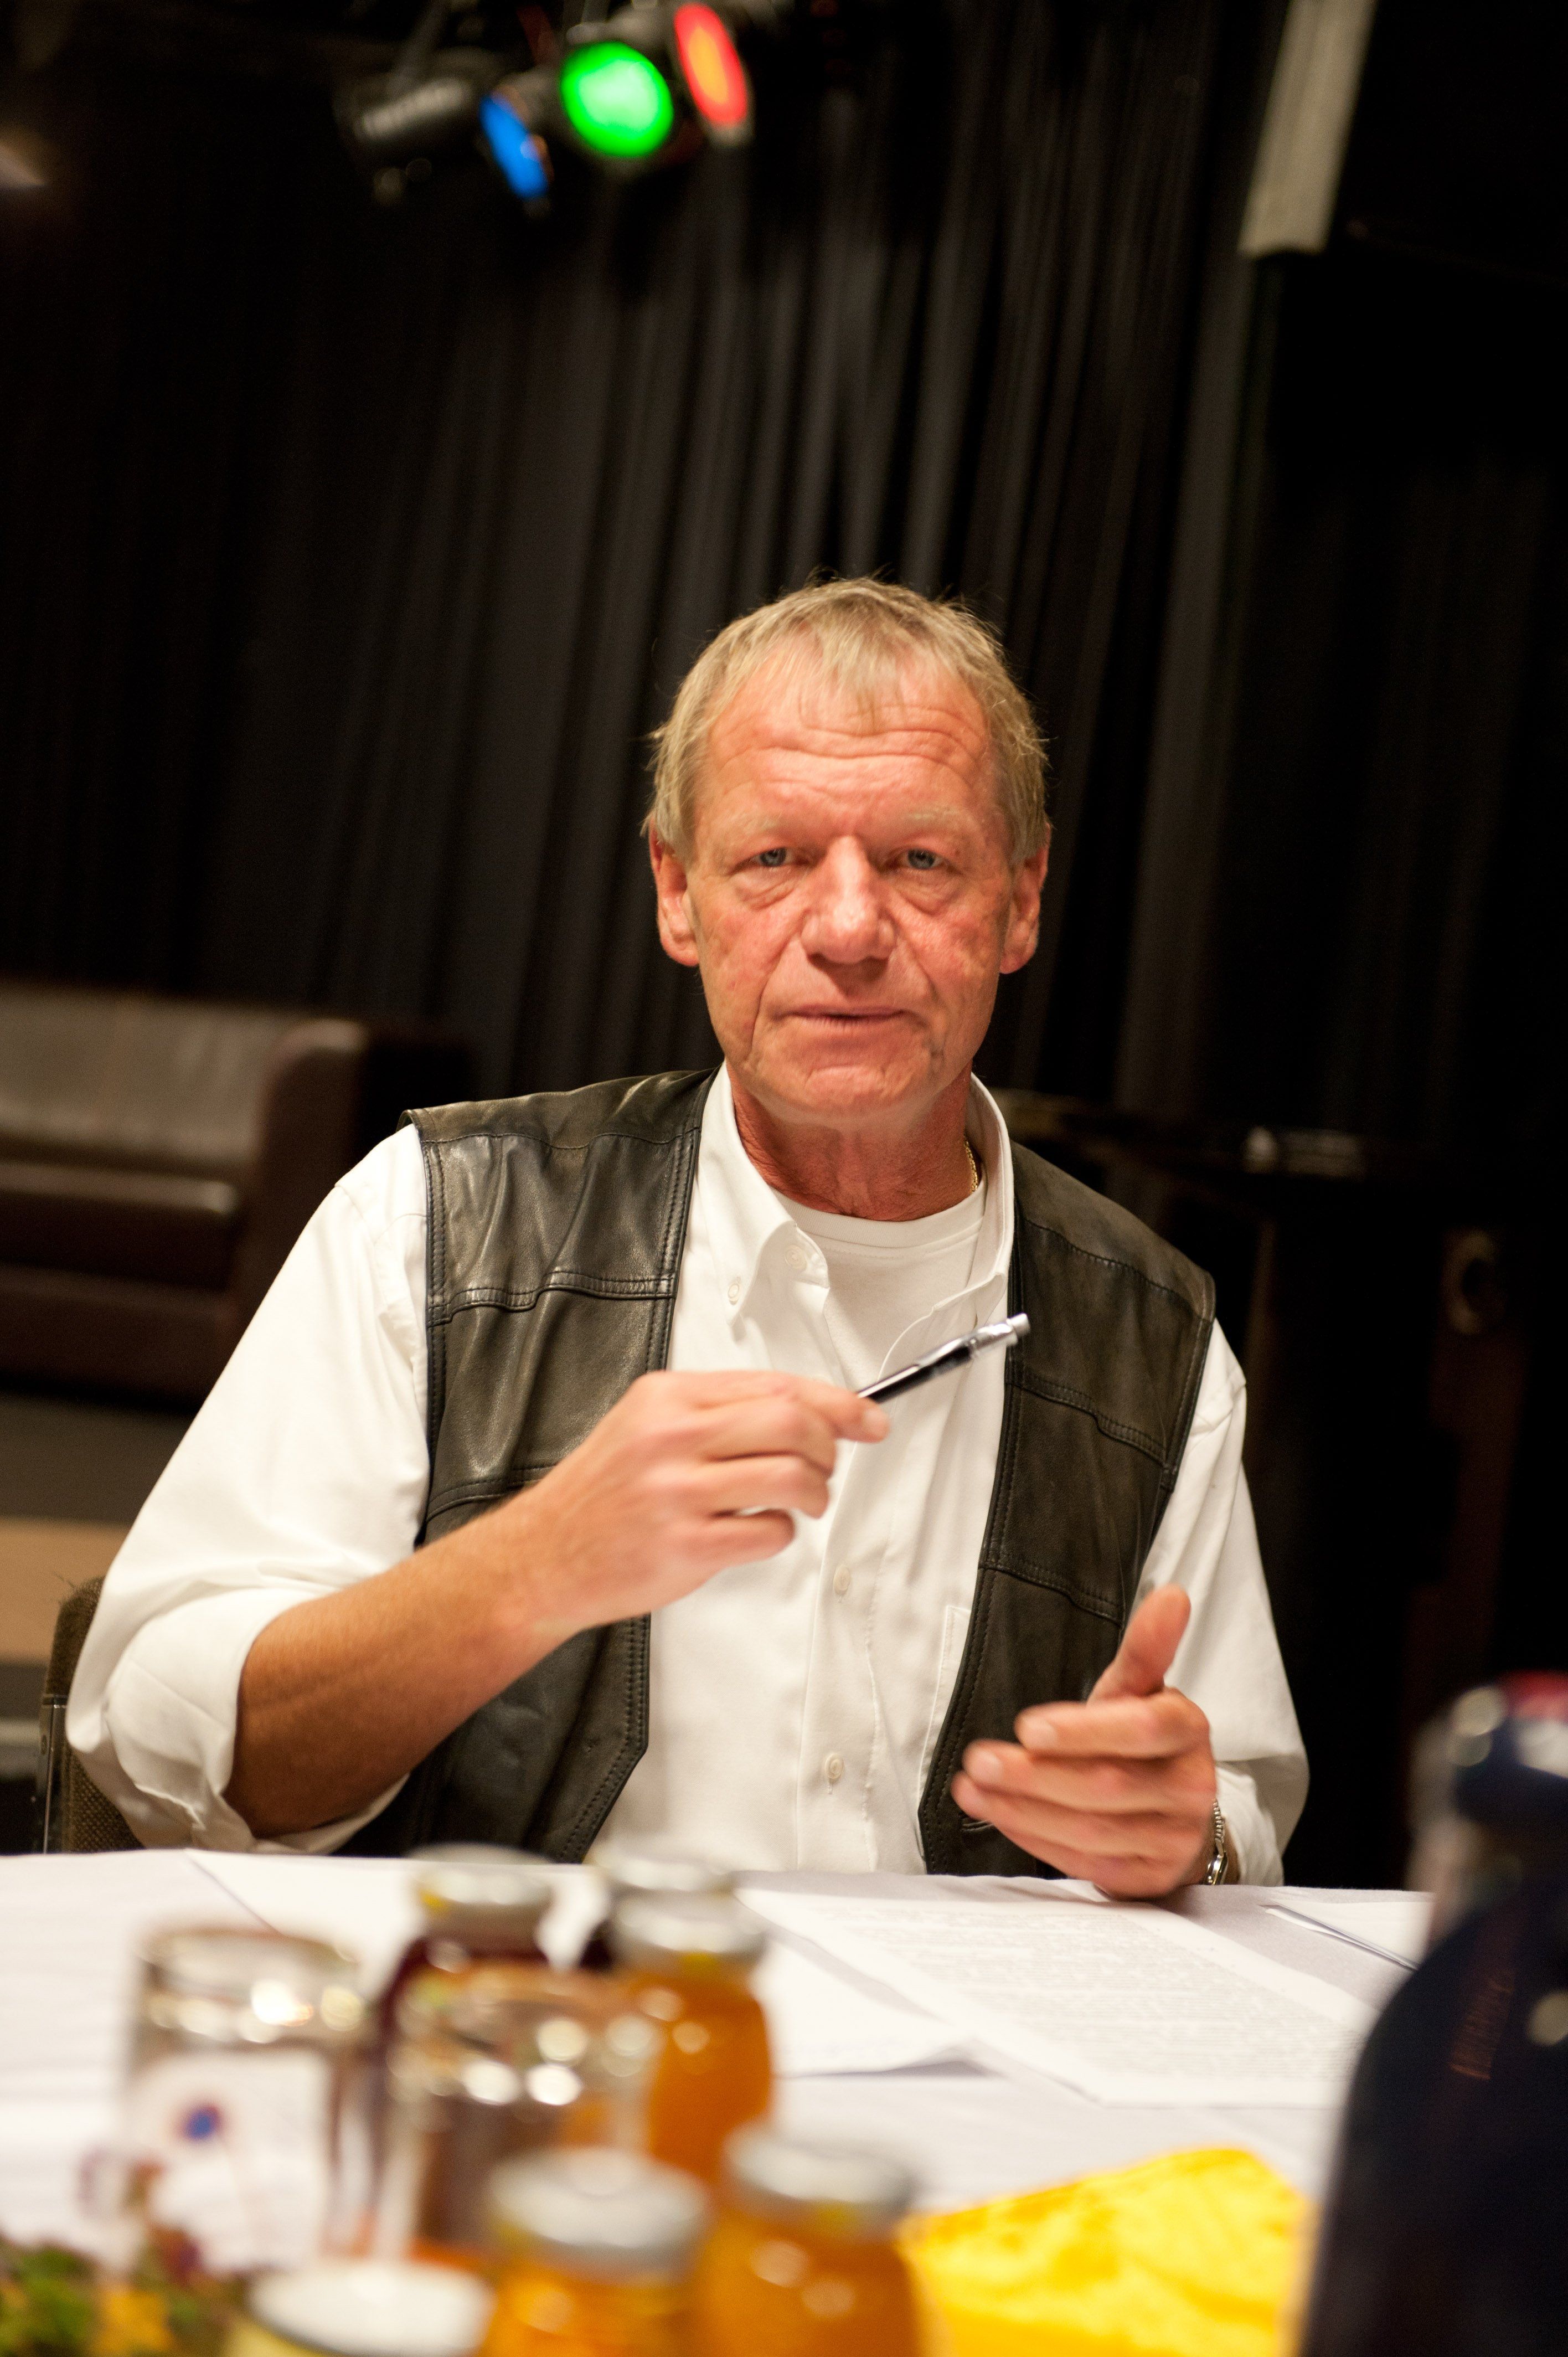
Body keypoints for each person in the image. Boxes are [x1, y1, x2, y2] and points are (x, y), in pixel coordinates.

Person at [69, 579, 1305, 1892]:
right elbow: (162, 1743)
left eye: (920, 861)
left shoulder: (1155, 1337)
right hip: (524, 2006)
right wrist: (526, 1569)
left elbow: (1238, 1809)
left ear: (1021, 896)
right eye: (776, 858)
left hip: (964, 2034)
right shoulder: (436, 1221)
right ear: (678, 891)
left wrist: (1187, 1833)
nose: (848, 929)